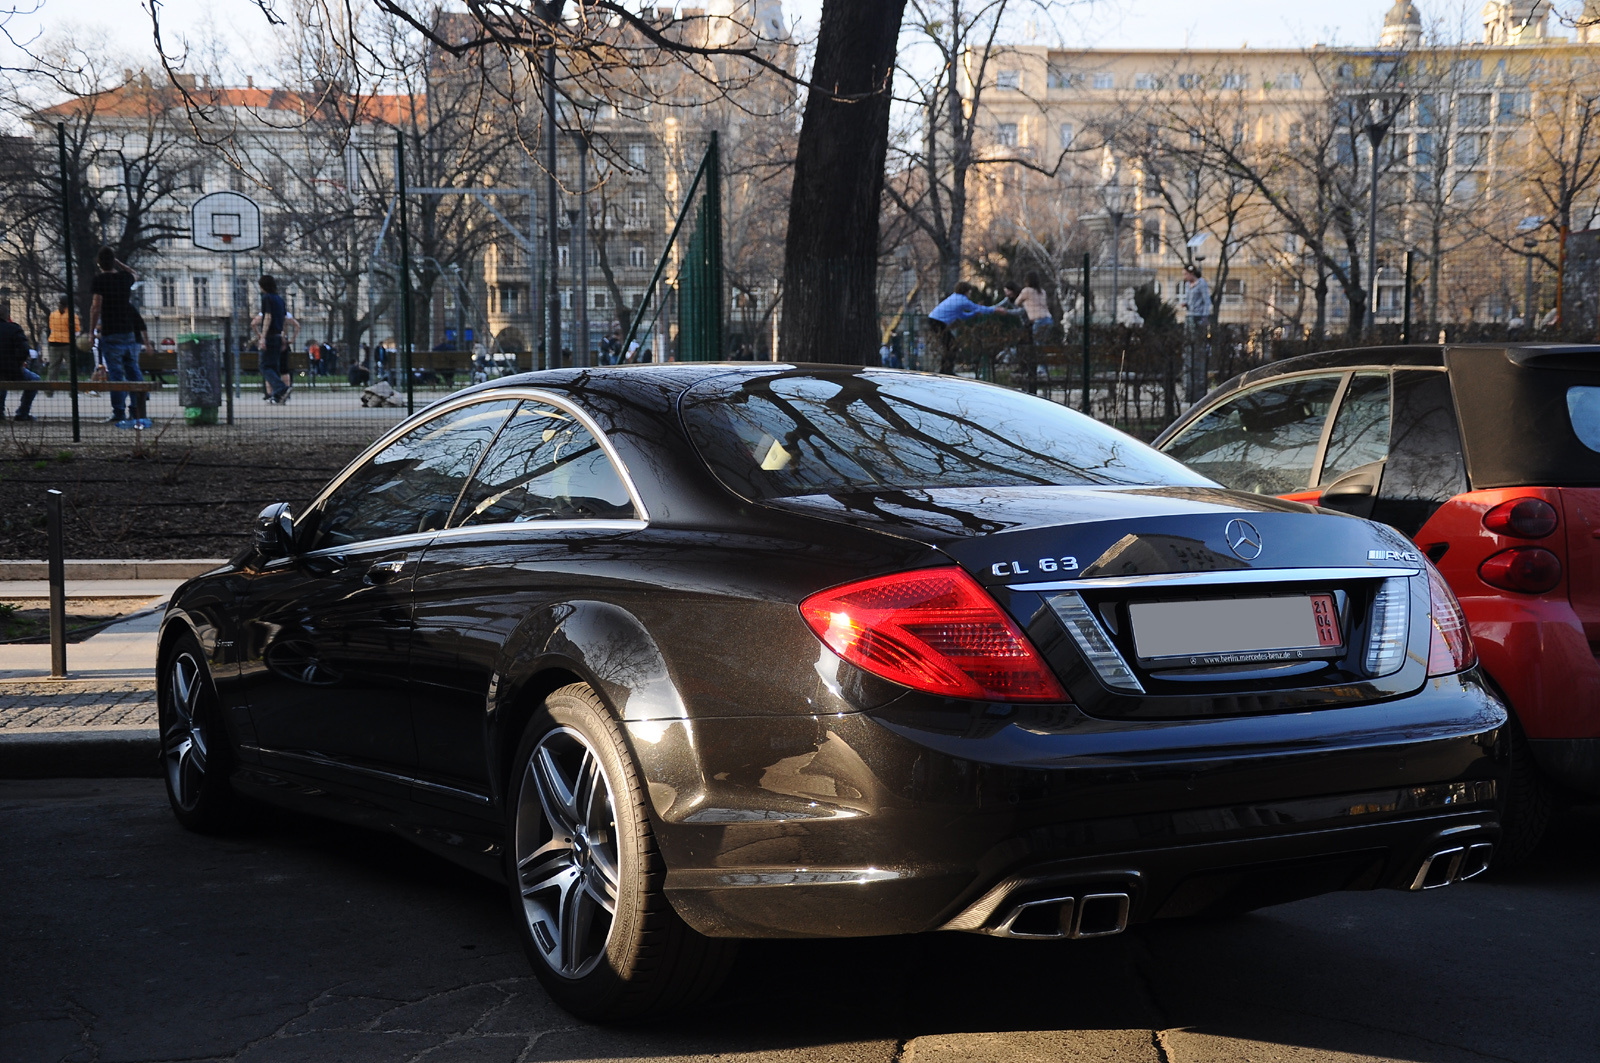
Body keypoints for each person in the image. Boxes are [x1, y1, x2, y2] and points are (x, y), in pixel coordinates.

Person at [89, 247, 142, 425]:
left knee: (116, 374)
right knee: (133, 370)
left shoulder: (99, 280)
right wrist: (119, 263)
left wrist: (91, 331)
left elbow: (96, 307)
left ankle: (118, 411)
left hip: (110, 331)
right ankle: (137, 410)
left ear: (99, 264)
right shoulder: (124, 278)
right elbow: (134, 273)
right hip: (128, 331)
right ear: (114, 262)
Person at [927, 281, 1003, 374]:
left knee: (950, 345)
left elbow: (962, 316)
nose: (970, 293)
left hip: (934, 320)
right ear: (966, 291)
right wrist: (995, 310)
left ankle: (945, 369)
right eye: (969, 291)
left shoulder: (955, 297)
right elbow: (978, 308)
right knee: (951, 345)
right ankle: (946, 370)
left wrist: (974, 313)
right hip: (937, 322)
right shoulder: (962, 300)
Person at [250, 275, 298, 403]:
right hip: (278, 335)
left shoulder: (267, 298)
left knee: (264, 366)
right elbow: (284, 320)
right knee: (274, 366)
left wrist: (262, 337)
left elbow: (268, 317)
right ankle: (277, 397)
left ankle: (281, 388)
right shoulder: (280, 299)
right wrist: (283, 336)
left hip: (270, 335)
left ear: (263, 286)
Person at [0, 300, 40, 422]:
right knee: (35, 380)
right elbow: (24, 350)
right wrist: (19, 363)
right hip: (12, 370)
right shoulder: (14, 329)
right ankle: (22, 413)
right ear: (7, 316)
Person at [1182, 264, 1212, 403]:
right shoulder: (1189, 286)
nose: (1184, 277)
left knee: (1198, 348)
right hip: (1190, 316)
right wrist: (1185, 304)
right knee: (1189, 346)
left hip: (1198, 318)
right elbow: (1190, 301)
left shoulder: (1202, 284)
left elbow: (1206, 301)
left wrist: (1205, 317)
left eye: (1185, 274)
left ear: (1191, 273)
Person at [45, 296, 74, 381]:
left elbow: (51, 327)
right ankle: (71, 389)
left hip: (54, 342)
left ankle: (49, 390)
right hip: (67, 343)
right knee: (71, 367)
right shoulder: (72, 315)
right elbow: (76, 331)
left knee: (53, 367)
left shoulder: (53, 315)